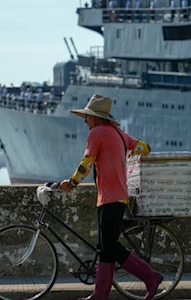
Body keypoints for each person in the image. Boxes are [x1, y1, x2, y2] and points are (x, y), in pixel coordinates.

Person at [59, 94, 163, 300]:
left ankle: (151, 277)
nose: (85, 120)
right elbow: (144, 147)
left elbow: (87, 162)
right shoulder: (118, 133)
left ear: (96, 118)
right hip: (118, 197)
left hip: (109, 198)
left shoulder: (96, 133)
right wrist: (129, 153)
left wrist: (71, 183)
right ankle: (100, 295)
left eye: (87, 116)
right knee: (104, 249)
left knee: (111, 246)